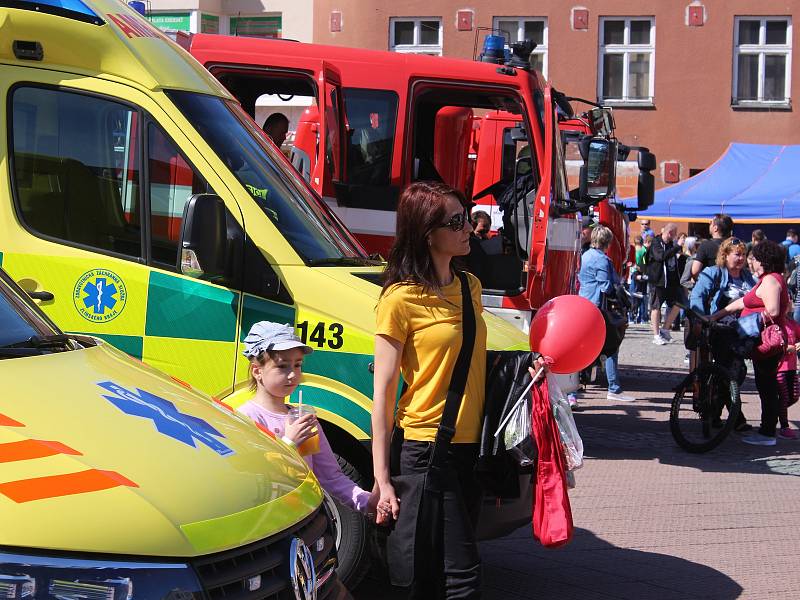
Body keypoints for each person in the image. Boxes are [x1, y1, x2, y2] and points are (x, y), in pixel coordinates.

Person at [372, 181, 543, 598]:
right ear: (427, 233)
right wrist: (383, 478)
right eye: (456, 221)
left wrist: (525, 370)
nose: (469, 227)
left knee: (437, 571)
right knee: (460, 575)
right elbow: (384, 393)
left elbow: (471, 361)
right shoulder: (399, 299)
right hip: (428, 447)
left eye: (467, 216)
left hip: (472, 449)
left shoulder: (470, 287)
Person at [238, 321, 380, 519]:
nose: (293, 374)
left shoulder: (302, 418)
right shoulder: (246, 418)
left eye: (297, 365)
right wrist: (289, 444)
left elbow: (330, 476)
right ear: (257, 371)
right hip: (267, 526)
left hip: (305, 521)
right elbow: (253, 481)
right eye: (282, 366)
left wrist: (367, 501)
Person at [713, 240, 791, 446]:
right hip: (760, 340)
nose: (750, 262)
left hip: (766, 340)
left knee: (767, 386)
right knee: (765, 384)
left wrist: (752, 321)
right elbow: (742, 302)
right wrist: (715, 316)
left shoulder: (771, 281)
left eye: (753, 259)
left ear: (763, 261)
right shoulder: (765, 280)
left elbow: (773, 311)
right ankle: (766, 431)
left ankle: (767, 434)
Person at [690, 238, 756, 429]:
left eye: (743, 254)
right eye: (737, 254)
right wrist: (701, 318)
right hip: (719, 331)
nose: (741, 258)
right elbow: (697, 296)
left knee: (734, 372)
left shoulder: (747, 277)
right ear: (725, 255)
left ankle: (716, 412)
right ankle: (736, 417)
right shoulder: (713, 273)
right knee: (733, 371)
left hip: (743, 333)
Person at [579, 226, 634, 402]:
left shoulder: (585, 255)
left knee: (585, 348)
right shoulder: (602, 260)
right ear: (608, 242)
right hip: (598, 306)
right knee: (612, 346)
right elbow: (605, 286)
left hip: (585, 302)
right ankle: (614, 388)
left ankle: (577, 385)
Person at [647, 223, 682, 345]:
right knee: (656, 306)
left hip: (671, 281)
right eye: (675, 233)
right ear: (670, 233)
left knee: (679, 304)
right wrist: (677, 247)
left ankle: (665, 329)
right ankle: (656, 335)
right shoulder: (656, 243)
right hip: (658, 281)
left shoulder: (671, 244)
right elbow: (660, 256)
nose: (675, 236)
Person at [776, 318, 800, 439]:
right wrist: (785, 348)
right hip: (779, 368)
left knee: (795, 396)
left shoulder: (792, 323)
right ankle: (784, 426)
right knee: (784, 397)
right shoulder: (774, 323)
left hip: (792, 367)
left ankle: (775, 411)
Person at [691, 214, 734, 279]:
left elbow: (695, 271)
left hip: (712, 284)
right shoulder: (735, 244)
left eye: (711, 223)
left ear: (715, 228)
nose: (709, 225)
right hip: (732, 285)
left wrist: (704, 282)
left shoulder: (705, 245)